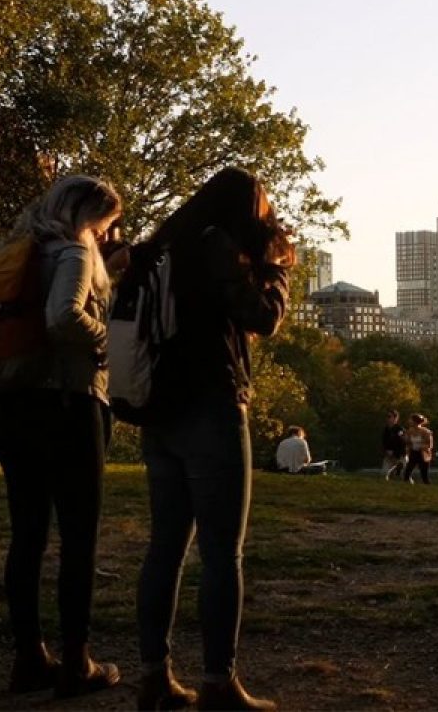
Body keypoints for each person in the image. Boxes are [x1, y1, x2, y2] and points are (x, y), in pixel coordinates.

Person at [133, 166, 293, 711]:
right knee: (222, 554)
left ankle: (153, 677)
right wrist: (274, 271)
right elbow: (261, 318)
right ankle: (218, 682)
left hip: (160, 410)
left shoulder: (167, 244)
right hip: (210, 406)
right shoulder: (221, 246)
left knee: (165, 549)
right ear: (247, 208)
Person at [0, 175, 124, 698]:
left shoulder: (20, 252)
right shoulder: (73, 251)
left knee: (26, 535)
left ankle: (29, 656)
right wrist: (105, 340)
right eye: (105, 224)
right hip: (66, 405)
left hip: (11, 406)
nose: (106, 234)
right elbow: (62, 315)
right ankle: (77, 660)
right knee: (78, 536)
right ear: (87, 216)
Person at [401, 414, 435, 484]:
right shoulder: (410, 431)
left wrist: (422, 447)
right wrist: (404, 438)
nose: (409, 421)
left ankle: (427, 486)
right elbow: (407, 442)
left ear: (415, 421)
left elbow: (430, 445)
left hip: (423, 453)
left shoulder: (425, 432)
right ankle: (405, 484)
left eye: (411, 420)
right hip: (414, 452)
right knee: (408, 470)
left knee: (424, 474)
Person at [380, 410, 407, 481]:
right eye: (387, 416)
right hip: (388, 455)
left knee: (404, 476)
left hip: (399, 456)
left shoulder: (400, 429)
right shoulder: (386, 429)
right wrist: (386, 451)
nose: (387, 418)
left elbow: (403, 443)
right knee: (384, 474)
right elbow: (384, 443)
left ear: (396, 418)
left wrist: (395, 453)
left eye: (389, 417)